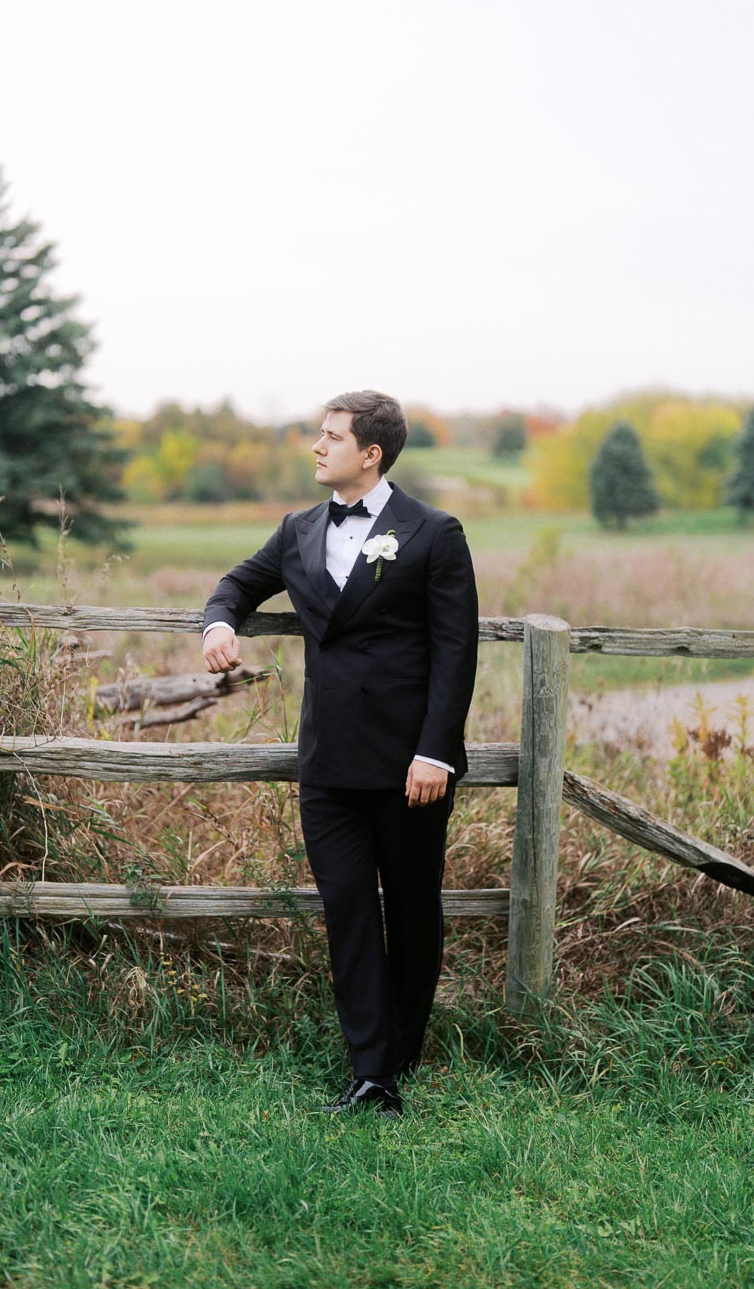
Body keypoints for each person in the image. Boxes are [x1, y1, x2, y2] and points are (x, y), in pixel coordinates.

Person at [202, 391, 478, 1116]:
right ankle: (371, 1072)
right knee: (348, 910)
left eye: (331, 437)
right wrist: (218, 626)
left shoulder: (432, 532)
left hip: (409, 767)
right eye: (318, 435)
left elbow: (456, 653)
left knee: (413, 911)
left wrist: (436, 754)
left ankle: (403, 1051)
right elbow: (236, 585)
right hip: (327, 762)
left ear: (371, 454)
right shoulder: (296, 530)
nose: (317, 447)